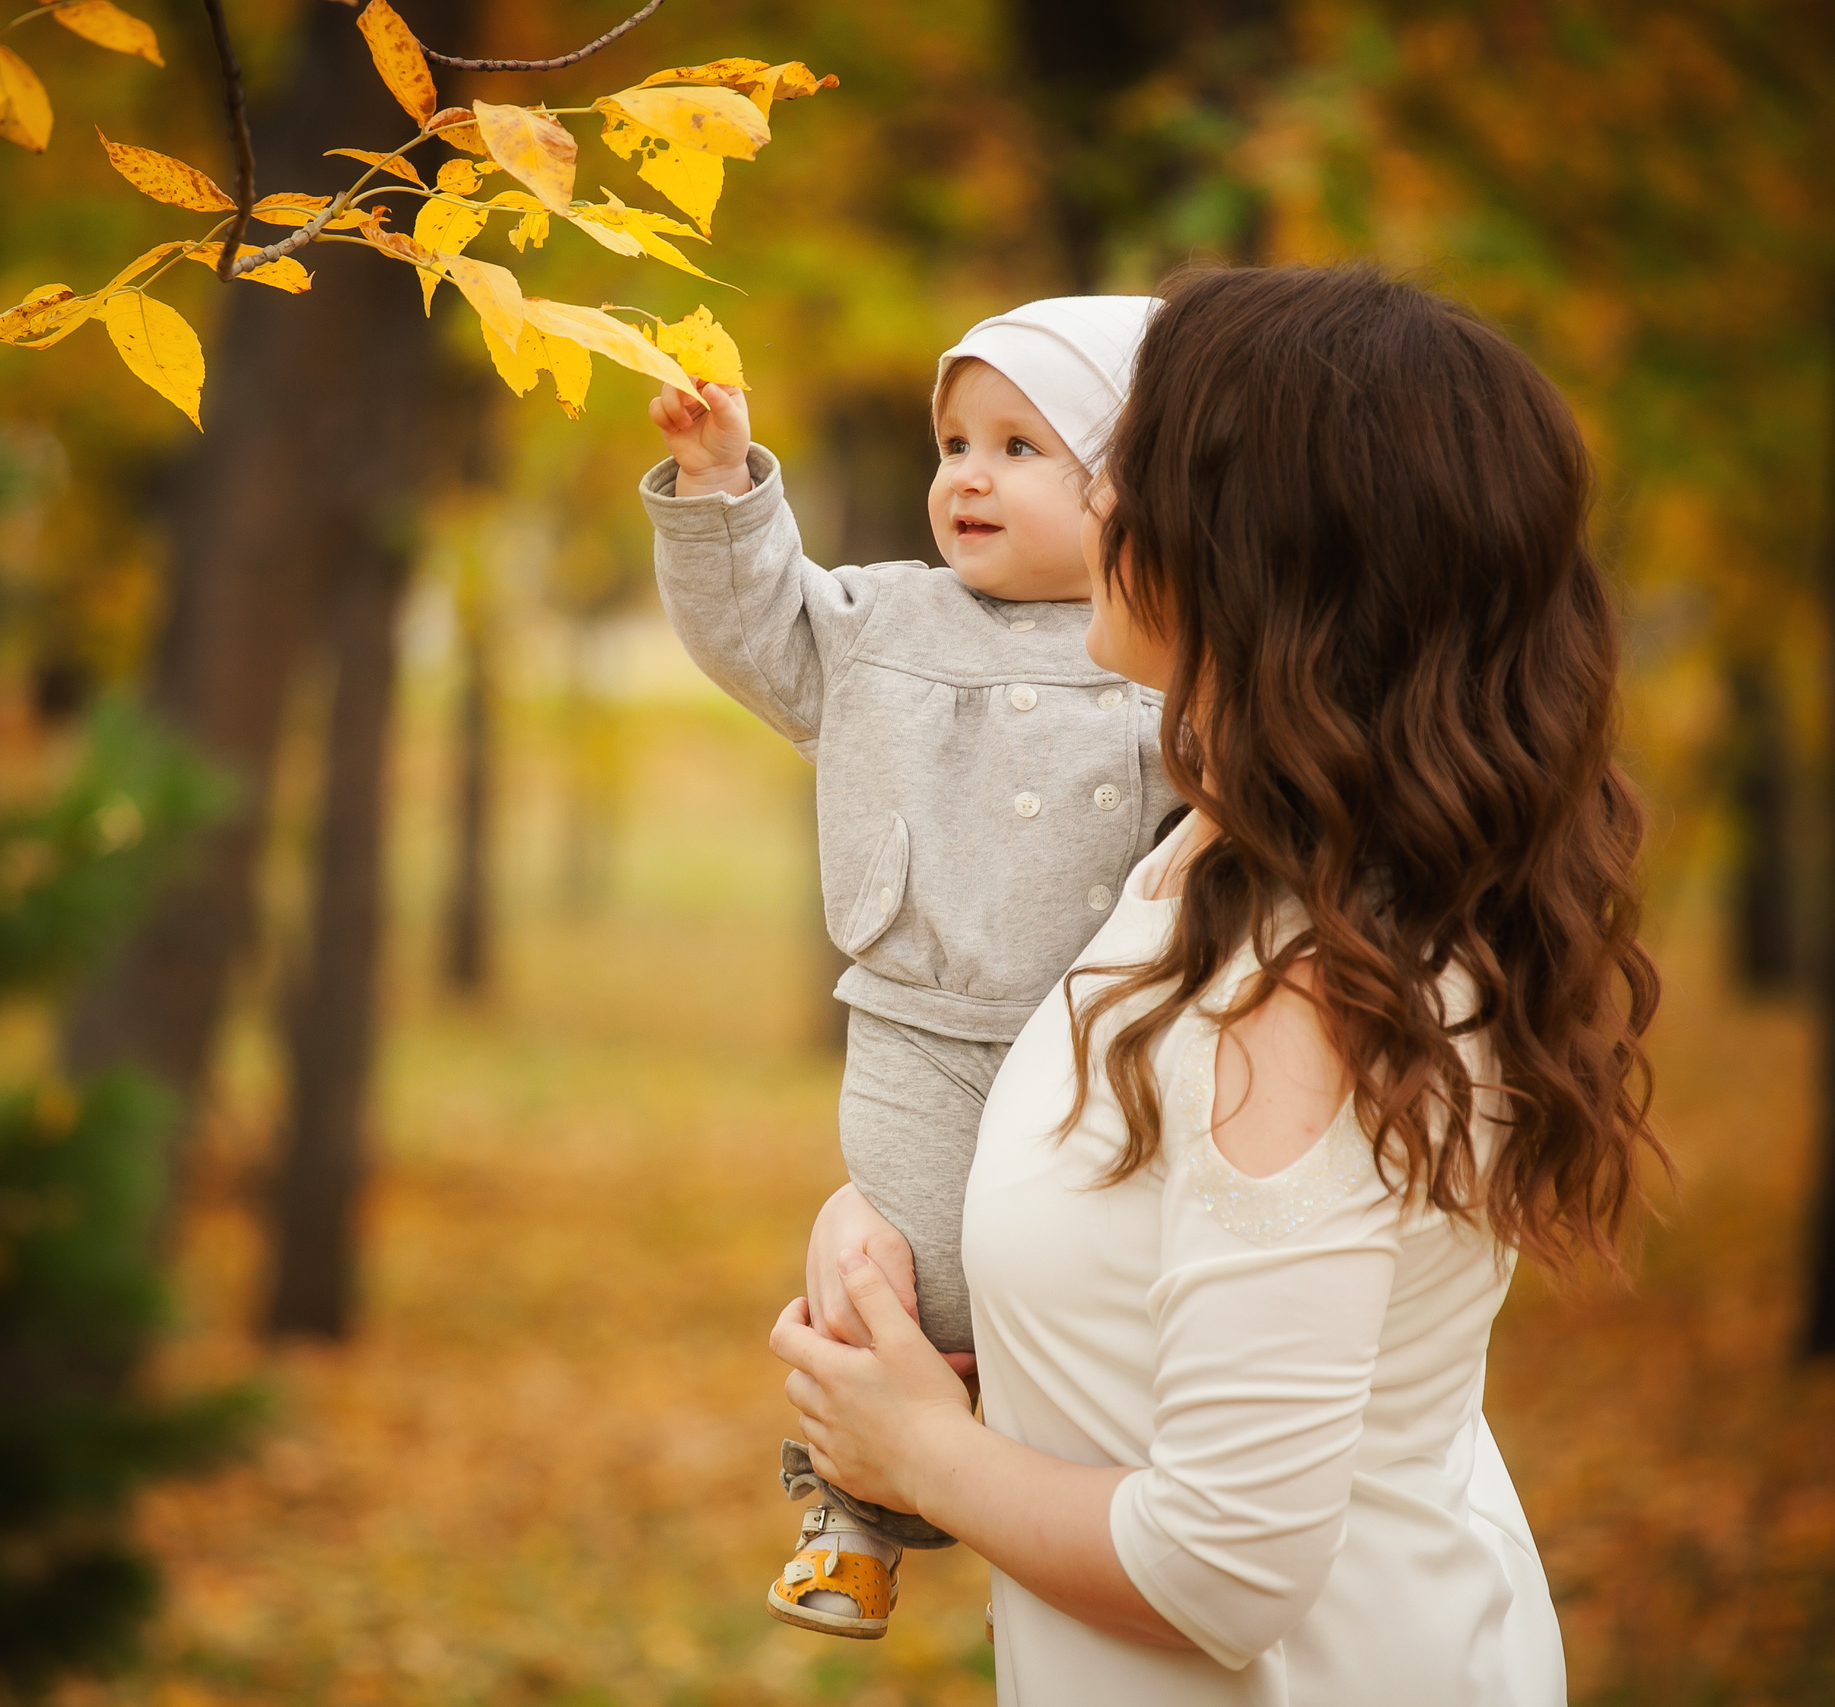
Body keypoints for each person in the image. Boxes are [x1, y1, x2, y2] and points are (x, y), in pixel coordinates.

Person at [772, 263, 1665, 1703]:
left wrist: (914, 1453)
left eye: (1134, 464)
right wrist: (916, 1230)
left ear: (1255, 547)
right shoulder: (1216, 852)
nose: (1098, 501)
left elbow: (1225, 1567)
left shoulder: (1303, 994)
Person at [640, 297, 1183, 1638]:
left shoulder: (1179, 662)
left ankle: (1074, 1489)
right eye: (952, 444)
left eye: (1020, 445)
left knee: (1085, 1271)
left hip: (1107, 1032)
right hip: (920, 1029)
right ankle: (862, 1511)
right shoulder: (882, 624)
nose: (968, 476)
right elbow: (755, 626)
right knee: (901, 1267)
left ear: (1136, 486)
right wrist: (719, 488)